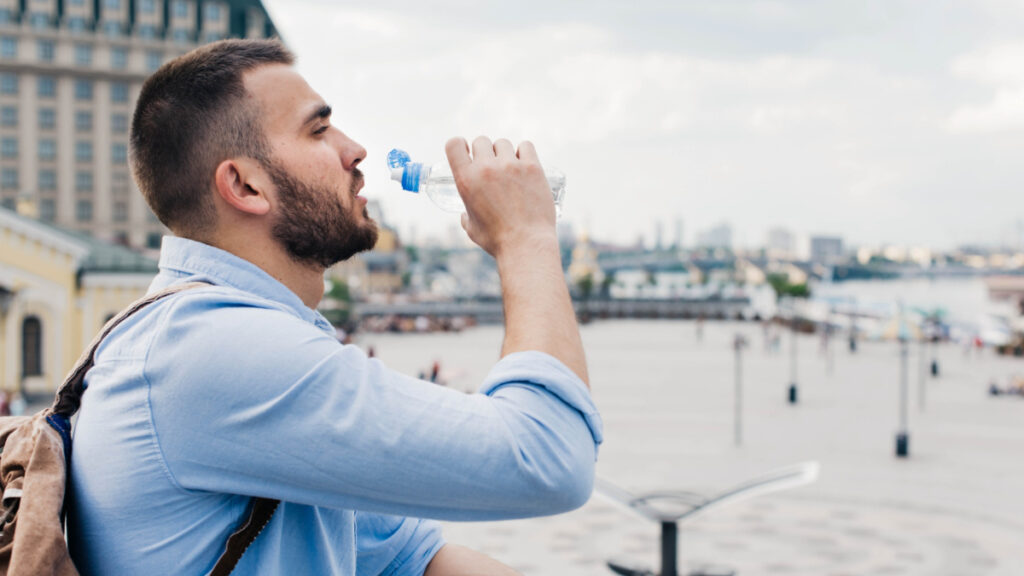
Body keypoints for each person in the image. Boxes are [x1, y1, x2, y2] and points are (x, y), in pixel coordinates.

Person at [67, 39, 601, 575]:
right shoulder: (215, 350)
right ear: (245, 185)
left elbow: (410, 559)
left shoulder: (214, 337)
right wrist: (527, 237)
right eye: (319, 130)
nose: (356, 149)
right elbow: (549, 458)